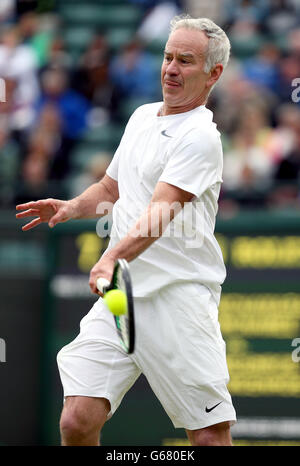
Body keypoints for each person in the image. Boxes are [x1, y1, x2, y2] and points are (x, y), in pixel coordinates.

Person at [16, 15, 237, 446]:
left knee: (209, 437)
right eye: (168, 56)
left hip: (177, 295)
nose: (170, 68)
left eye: (185, 61)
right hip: (122, 297)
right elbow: (110, 187)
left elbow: (160, 212)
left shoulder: (201, 138)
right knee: (77, 420)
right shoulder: (139, 117)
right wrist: (72, 206)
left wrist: (111, 257)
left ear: (214, 73)